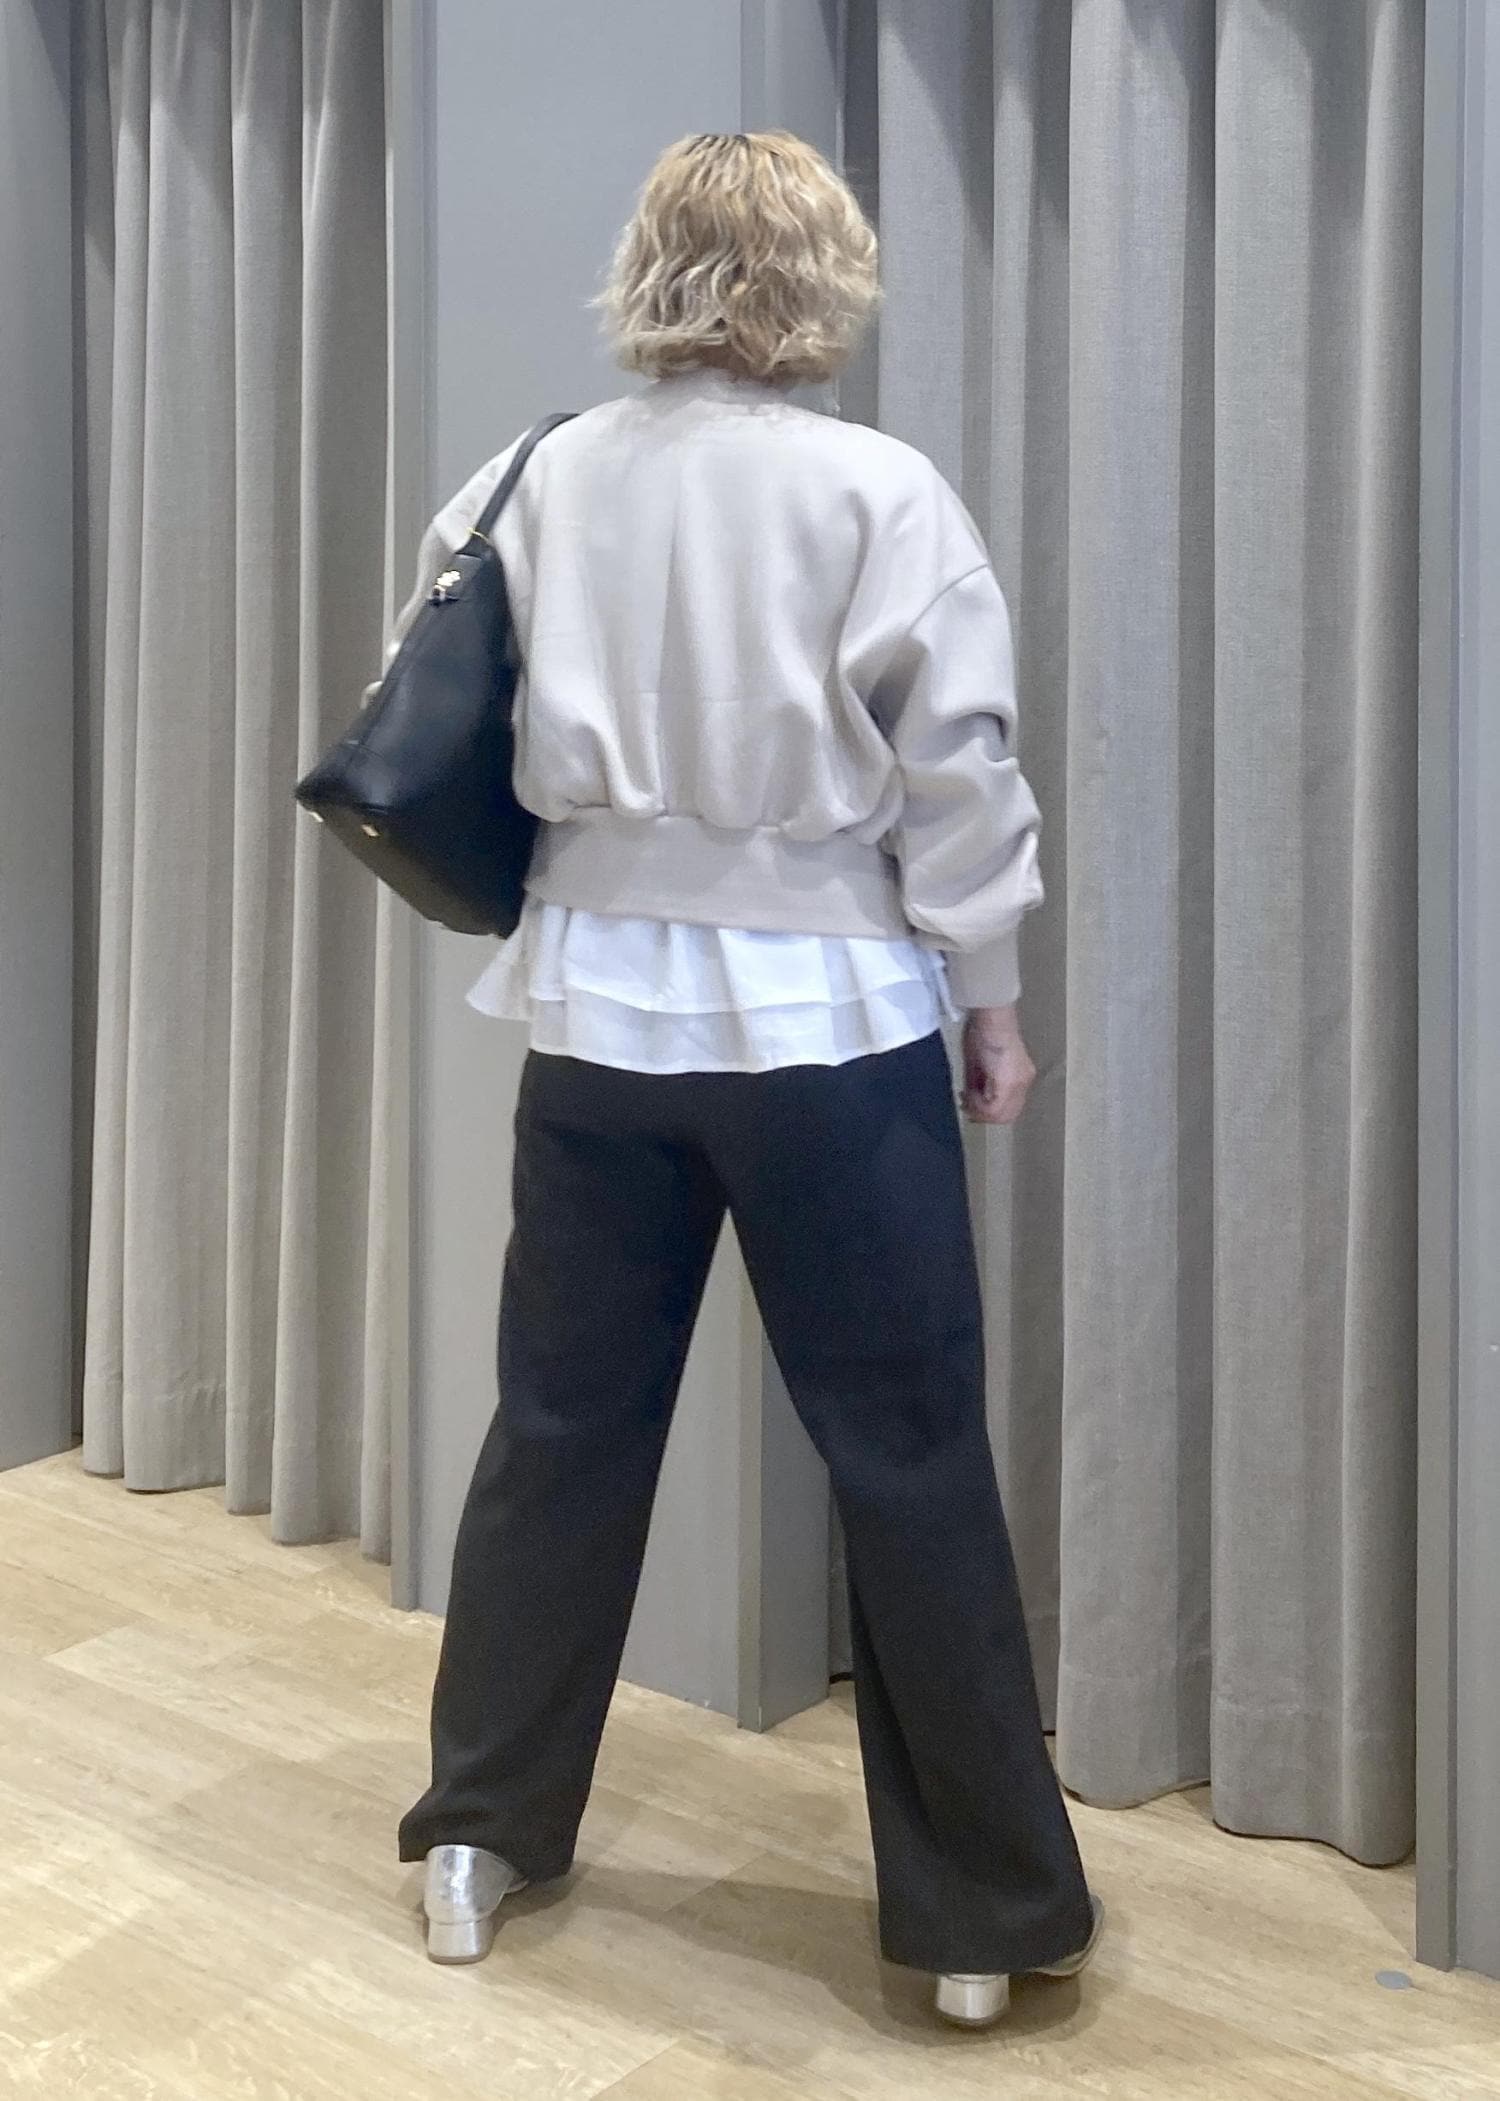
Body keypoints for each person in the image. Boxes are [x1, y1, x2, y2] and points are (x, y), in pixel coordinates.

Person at [394, 131, 1100, 2029]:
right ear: (826, 275)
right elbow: (961, 776)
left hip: (596, 1019)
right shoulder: (878, 491)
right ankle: (976, 1918)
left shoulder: (536, 473)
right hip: (828, 1027)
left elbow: (447, 690)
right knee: (906, 1449)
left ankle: (474, 1839)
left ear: (652, 268)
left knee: (559, 1429)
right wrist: (994, 1001)